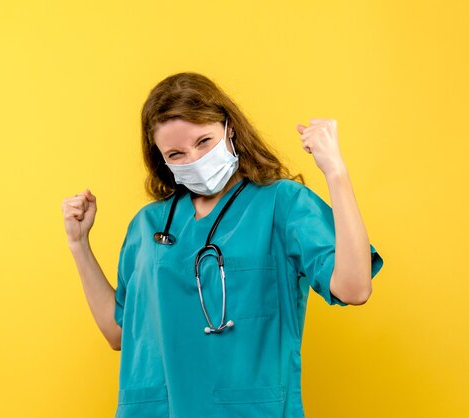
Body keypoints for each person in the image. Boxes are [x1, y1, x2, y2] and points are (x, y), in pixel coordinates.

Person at [61, 72, 384, 418]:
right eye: (176, 153)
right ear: (162, 160)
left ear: (230, 127)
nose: (194, 159)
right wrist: (78, 244)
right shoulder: (148, 225)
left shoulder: (282, 204)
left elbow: (354, 287)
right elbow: (121, 334)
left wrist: (335, 171)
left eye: (204, 141)